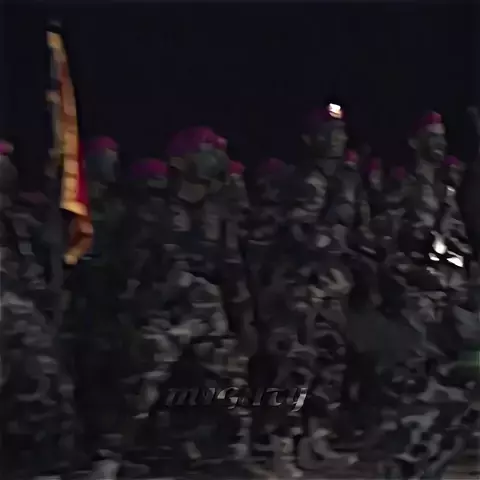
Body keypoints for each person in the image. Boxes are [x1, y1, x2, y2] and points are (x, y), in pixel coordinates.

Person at [0, 140, 76, 478]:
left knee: (41, 392)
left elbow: (35, 266)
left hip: (25, 325)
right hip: (14, 323)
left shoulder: (16, 221)